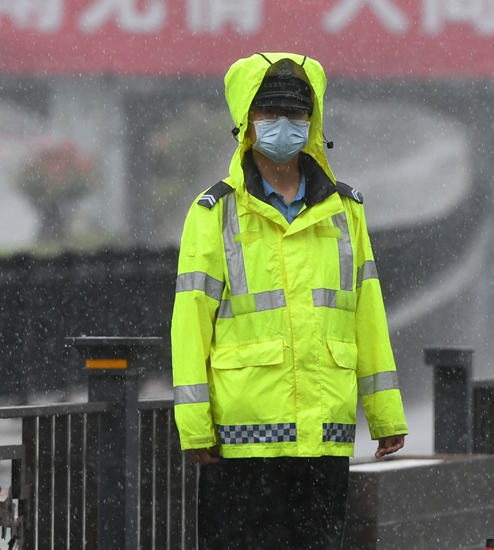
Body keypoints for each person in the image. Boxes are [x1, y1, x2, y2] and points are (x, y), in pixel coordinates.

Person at [171, 52, 408, 550]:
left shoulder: (345, 210)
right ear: (245, 122)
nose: (284, 125)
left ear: (313, 119)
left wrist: (385, 415)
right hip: (241, 441)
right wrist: (194, 426)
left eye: (297, 113)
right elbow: (190, 322)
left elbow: (367, 312)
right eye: (270, 113)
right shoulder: (214, 212)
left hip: (322, 435)